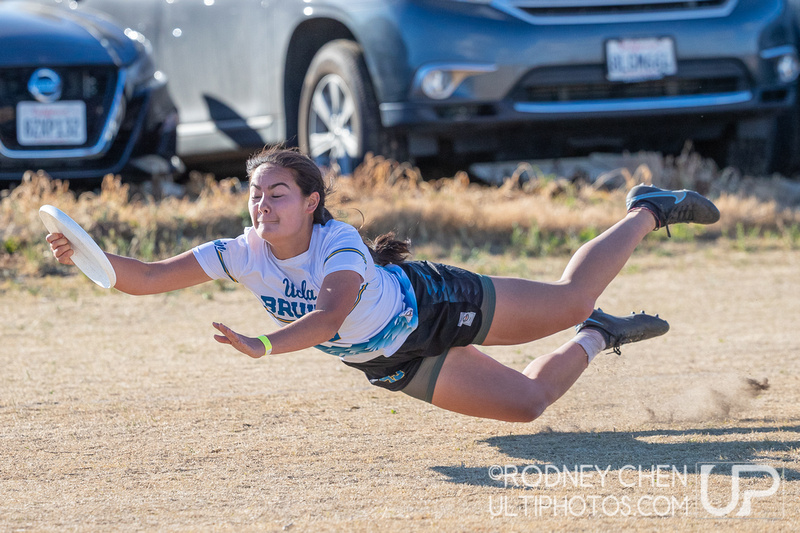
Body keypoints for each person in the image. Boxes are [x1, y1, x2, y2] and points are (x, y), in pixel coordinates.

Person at [46, 146, 720, 423]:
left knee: (568, 297)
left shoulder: (336, 243)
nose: (262, 206)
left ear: (311, 200)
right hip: (393, 362)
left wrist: (263, 343)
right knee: (528, 405)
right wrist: (83, 253)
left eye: (277, 193)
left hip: (436, 303)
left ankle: (649, 208)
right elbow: (144, 277)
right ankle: (602, 334)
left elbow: (330, 317)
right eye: (256, 195)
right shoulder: (242, 252)